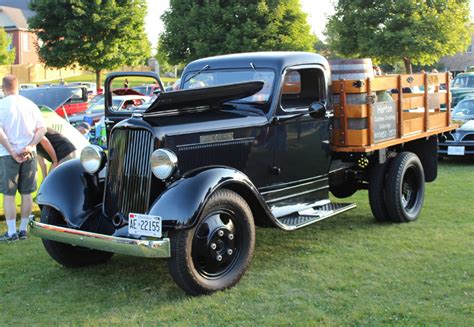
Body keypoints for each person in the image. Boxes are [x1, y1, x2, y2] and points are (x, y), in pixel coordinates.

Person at [0, 75, 46, 242]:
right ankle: (23, 229)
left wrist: (12, 150)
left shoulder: (1, 105)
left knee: (9, 194)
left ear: (3, 88)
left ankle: (11, 232)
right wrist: (32, 145)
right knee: (27, 193)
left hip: (7, 154)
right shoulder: (30, 105)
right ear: (18, 86)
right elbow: (42, 129)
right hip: (29, 153)